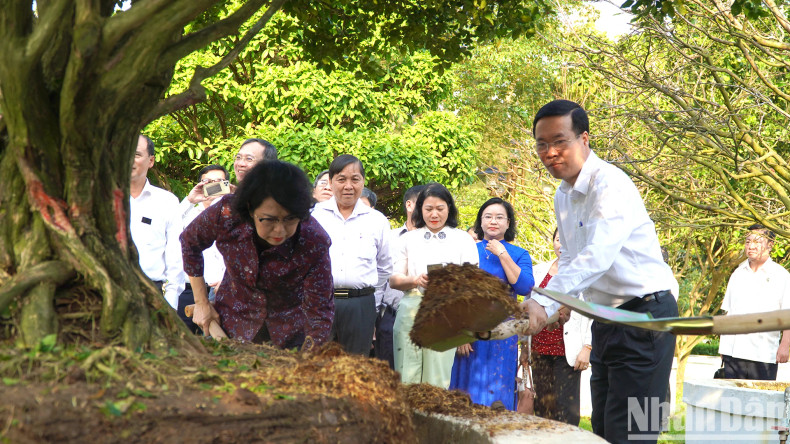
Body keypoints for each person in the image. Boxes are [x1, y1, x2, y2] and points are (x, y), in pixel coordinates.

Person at [523, 100, 679, 443]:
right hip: (607, 320)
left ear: (584, 139)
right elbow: (572, 259)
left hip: (647, 317)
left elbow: (596, 257)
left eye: (560, 141)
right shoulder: (563, 195)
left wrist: (544, 303)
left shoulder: (610, 184)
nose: (550, 152)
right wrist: (560, 303)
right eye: (542, 144)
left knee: (635, 434)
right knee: (604, 430)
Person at [180, 160, 334, 348]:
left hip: (288, 336)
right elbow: (190, 242)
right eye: (269, 220)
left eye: (289, 219)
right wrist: (201, 301)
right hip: (231, 324)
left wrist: (310, 359)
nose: (279, 230)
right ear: (250, 208)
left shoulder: (314, 240)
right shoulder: (227, 214)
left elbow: (320, 312)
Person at [390, 183, 479, 388]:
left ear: (449, 208)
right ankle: (407, 419)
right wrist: (415, 280)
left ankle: (433, 419)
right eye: (428, 209)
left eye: (440, 208)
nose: (434, 214)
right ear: (420, 209)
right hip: (411, 307)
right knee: (406, 374)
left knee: (436, 378)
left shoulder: (463, 239)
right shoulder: (409, 239)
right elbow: (394, 279)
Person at [449, 198, 534, 410]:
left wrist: (502, 254)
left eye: (499, 217)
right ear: (480, 221)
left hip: (502, 335)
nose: (493, 221)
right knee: (464, 395)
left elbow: (524, 287)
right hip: (469, 334)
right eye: (488, 217)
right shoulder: (467, 250)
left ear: (508, 223)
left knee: (497, 393)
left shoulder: (519, 254)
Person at [312, 155, 392, 355]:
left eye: (355, 179)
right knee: (316, 366)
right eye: (341, 179)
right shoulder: (314, 216)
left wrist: (370, 305)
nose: (348, 185)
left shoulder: (377, 221)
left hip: (361, 305)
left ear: (363, 182)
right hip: (319, 303)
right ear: (331, 182)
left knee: (355, 370)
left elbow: (384, 267)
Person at [528, 228, 591, 425]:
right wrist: (524, 347)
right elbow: (529, 307)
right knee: (543, 407)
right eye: (557, 239)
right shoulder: (539, 270)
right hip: (539, 347)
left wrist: (588, 347)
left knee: (566, 409)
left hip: (568, 350)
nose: (561, 245)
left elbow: (592, 312)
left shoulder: (585, 271)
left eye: (566, 240)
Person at [718, 224, 790, 380]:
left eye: (757, 242)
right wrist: (723, 348)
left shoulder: (781, 276)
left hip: (763, 355)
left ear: (770, 245)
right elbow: (728, 313)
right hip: (733, 353)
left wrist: (785, 345)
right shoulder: (737, 274)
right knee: (731, 401)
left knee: (760, 402)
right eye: (748, 241)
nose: (751, 246)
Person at [129, 134, 185, 309]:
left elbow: (175, 260)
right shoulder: (103, 198)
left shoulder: (166, 202)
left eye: (136, 155)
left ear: (150, 161)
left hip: (152, 294)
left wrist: (170, 307)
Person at [374, 184, 426, 369]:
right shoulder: (390, 237)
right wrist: (374, 317)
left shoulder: (438, 240)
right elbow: (379, 278)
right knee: (388, 377)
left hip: (427, 318)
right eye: (424, 203)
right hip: (391, 316)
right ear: (409, 205)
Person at [175, 164, 230, 333]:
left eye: (220, 182)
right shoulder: (187, 213)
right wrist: (190, 201)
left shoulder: (234, 215)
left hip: (222, 289)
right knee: (184, 341)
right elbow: (167, 228)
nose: (214, 186)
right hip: (189, 290)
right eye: (208, 181)